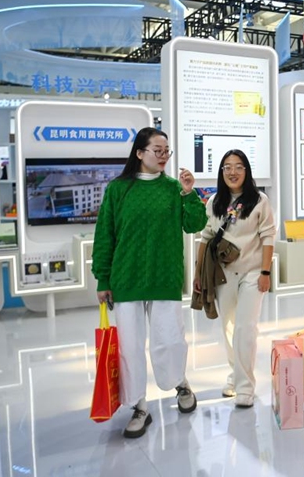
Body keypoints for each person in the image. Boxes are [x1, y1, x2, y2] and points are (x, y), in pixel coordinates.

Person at [92, 127, 208, 438]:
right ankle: (139, 405)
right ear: (139, 152)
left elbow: (194, 224)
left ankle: (179, 382)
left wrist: (189, 193)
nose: (163, 156)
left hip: (164, 276)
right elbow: (105, 235)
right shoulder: (118, 190)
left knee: (169, 339)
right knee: (130, 347)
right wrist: (103, 277)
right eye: (157, 150)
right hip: (125, 278)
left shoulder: (173, 188)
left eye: (167, 150)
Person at [194, 149, 276, 408]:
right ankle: (235, 375)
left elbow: (268, 237)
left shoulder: (259, 200)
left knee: (245, 328)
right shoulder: (214, 201)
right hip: (223, 274)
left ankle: (245, 387)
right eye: (227, 167)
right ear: (221, 172)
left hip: (252, 273)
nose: (232, 172)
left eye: (238, 166)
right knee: (229, 327)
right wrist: (198, 275)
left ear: (246, 171)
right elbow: (206, 238)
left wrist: (265, 272)